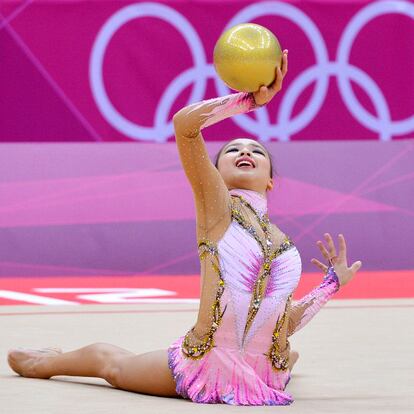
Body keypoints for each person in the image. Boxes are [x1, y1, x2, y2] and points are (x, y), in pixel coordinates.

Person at [7, 49, 362, 405]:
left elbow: (281, 321)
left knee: (286, 349)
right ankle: (45, 362)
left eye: (257, 151)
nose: (245, 152)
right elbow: (185, 126)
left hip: (263, 371)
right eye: (232, 149)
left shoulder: (285, 247)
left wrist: (330, 286)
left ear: (271, 179)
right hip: (207, 363)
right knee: (113, 365)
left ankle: (285, 364)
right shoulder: (218, 209)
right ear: (216, 173)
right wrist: (249, 101)